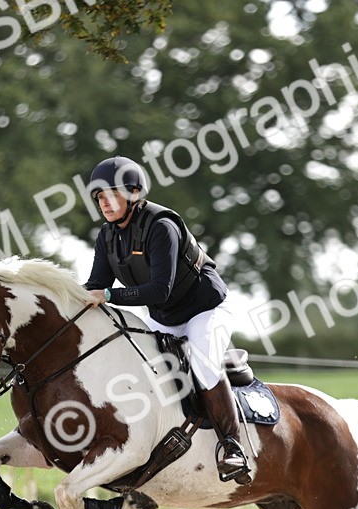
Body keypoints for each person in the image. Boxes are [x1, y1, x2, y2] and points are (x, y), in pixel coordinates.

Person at [83, 155, 251, 485]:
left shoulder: (161, 227)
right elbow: (96, 286)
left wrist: (111, 296)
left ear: (133, 193)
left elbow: (160, 289)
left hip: (205, 310)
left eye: (112, 194)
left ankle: (232, 447)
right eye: (100, 197)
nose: (105, 203)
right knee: (140, 371)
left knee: (203, 365)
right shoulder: (107, 237)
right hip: (164, 317)